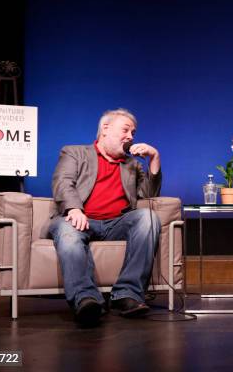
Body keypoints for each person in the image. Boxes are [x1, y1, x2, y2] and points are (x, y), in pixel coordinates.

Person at [49, 108, 162, 326]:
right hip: (80, 220)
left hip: (116, 223)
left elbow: (148, 195)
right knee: (67, 230)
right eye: (126, 130)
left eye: (133, 133)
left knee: (149, 218)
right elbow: (63, 182)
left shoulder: (132, 165)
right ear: (105, 129)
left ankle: (126, 294)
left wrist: (154, 157)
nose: (130, 137)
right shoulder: (74, 152)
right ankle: (86, 299)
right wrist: (74, 209)